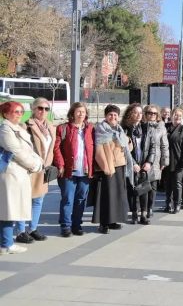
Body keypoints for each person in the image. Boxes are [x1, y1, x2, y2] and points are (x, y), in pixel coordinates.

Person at [0, 101, 43, 254]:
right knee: (7, 211)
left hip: (19, 174)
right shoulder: (6, 129)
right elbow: (16, 151)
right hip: (11, 174)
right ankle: (6, 244)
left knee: (11, 210)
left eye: (21, 111)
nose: (19, 114)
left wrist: (37, 161)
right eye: (15, 111)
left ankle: (6, 243)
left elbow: (28, 150)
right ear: (5, 113)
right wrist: (34, 165)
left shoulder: (18, 128)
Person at [15, 98, 55, 244]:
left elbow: (51, 148)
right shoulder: (26, 125)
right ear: (33, 109)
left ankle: (32, 229)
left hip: (43, 169)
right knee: (24, 200)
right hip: (29, 169)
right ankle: (20, 231)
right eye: (40, 108)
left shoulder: (50, 127)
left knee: (38, 200)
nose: (42, 111)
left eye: (46, 109)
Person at [53, 102, 94, 237]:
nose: (81, 114)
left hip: (85, 171)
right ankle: (66, 226)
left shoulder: (90, 129)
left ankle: (77, 225)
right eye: (78, 111)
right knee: (67, 199)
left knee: (81, 199)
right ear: (72, 113)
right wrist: (61, 165)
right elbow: (57, 148)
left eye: (83, 112)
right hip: (69, 170)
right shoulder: (63, 128)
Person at [91, 105, 131, 234]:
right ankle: (104, 223)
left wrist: (128, 143)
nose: (113, 117)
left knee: (117, 196)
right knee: (105, 197)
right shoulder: (101, 130)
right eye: (110, 115)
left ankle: (113, 221)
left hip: (120, 166)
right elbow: (98, 151)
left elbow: (126, 148)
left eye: (115, 115)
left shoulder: (119, 130)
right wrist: (106, 168)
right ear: (106, 116)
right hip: (107, 168)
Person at [121, 103, 157, 223]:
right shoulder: (124, 128)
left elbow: (153, 147)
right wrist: (133, 163)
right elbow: (124, 149)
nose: (138, 115)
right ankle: (134, 213)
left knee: (144, 189)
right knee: (133, 189)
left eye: (140, 113)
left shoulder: (147, 128)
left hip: (144, 163)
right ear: (130, 113)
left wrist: (149, 162)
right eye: (135, 112)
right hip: (132, 163)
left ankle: (144, 214)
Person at [163, 108, 183, 211]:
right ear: (171, 115)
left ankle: (177, 203)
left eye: (179, 115)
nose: (177, 117)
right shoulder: (165, 127)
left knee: (177, 183)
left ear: (182, 117)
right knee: (167, 183)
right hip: (166, 160)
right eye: (175, 114)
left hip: (178, 161)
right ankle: (168, 203)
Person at [143, 105, 168, 219]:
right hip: (143, 159)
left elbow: (164, 145)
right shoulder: (141, 126)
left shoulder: (161, 127)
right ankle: (142, 209)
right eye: (149, 113)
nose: (152, 115)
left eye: (154, 113)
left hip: (156, 160)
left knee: (153, 186)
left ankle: (150, 208)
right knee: (143, 185)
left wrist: (164, 161)